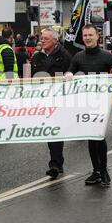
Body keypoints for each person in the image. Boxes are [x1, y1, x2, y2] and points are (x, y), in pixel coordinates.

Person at [67, 24, 112, 187]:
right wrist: (69, 74)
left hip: (101, 104)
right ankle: (96, 171)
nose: (88, 38)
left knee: (99, 137)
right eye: (85, 35)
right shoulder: (78, 57)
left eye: (91, 35)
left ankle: (103, 171)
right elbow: (70, 71)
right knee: (91, 138)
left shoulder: (106, 56)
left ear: (98, 36)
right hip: (85, 103)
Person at [31, 28, 72, 179]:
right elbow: (28, 77)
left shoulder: (64, 56)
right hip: (42, 100)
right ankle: (57, 162)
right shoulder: (36, 57)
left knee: (56, 129)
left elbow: (71, 73)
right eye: (41, 38)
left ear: (55, 41)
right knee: (48, 130)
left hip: (59, 99)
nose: (42, 41)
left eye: (46, 39)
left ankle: (55, 163)